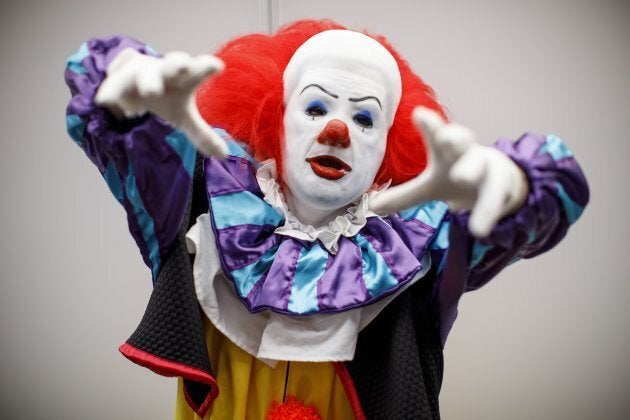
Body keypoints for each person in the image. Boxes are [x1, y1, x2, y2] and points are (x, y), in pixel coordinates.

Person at [64, 19, 589, 419]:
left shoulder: (418, 246)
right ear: (276, 119)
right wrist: (121, 92)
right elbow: (132, 144)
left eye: (365, 118)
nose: (337, 131)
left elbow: (519, 220)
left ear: (387, 147)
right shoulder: (204, 208)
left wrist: (522, 183)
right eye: (315, 109)